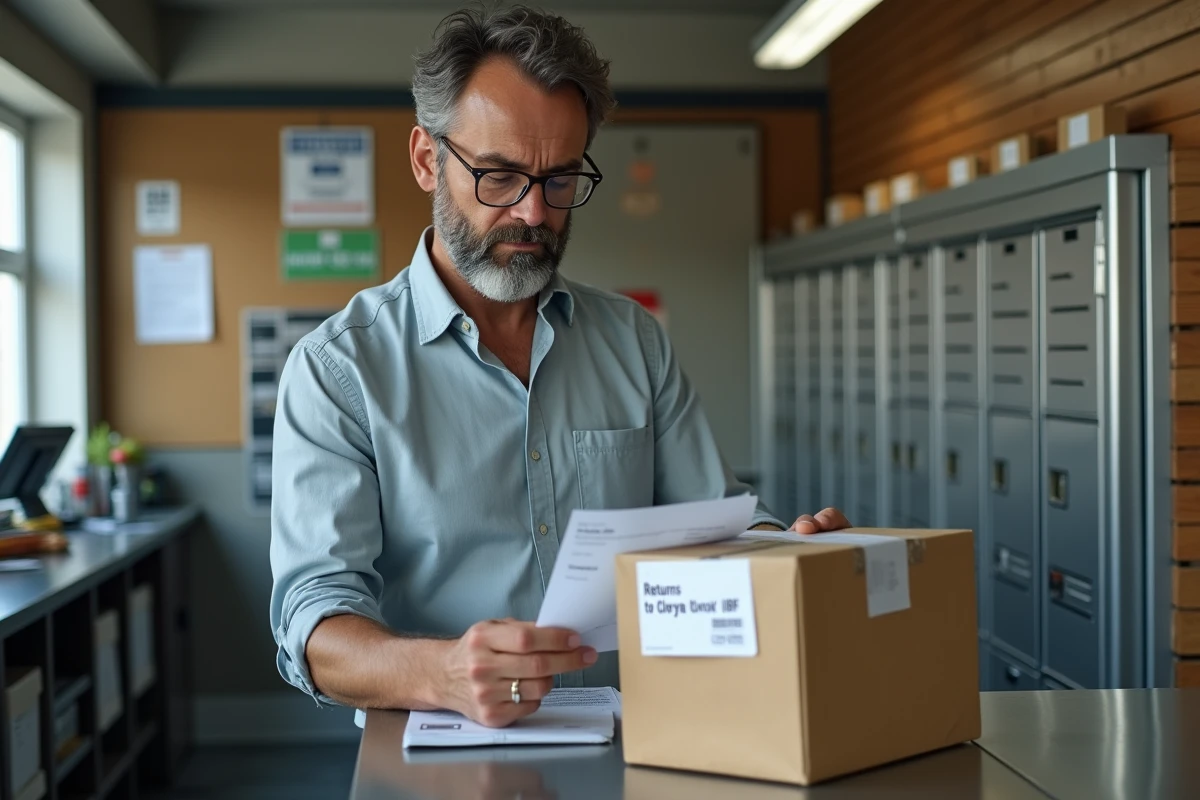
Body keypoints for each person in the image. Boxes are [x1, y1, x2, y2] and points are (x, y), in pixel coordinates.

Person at [269, 4, 850, 729]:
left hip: (632, 739)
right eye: (499, 177)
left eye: (560, 179)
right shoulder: (338, 371)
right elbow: (315, 621)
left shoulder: (633, 341)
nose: (535, 214)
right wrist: (443, 674)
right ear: (426, 160)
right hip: (434, 757)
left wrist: (787, 552)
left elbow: (716, 530)